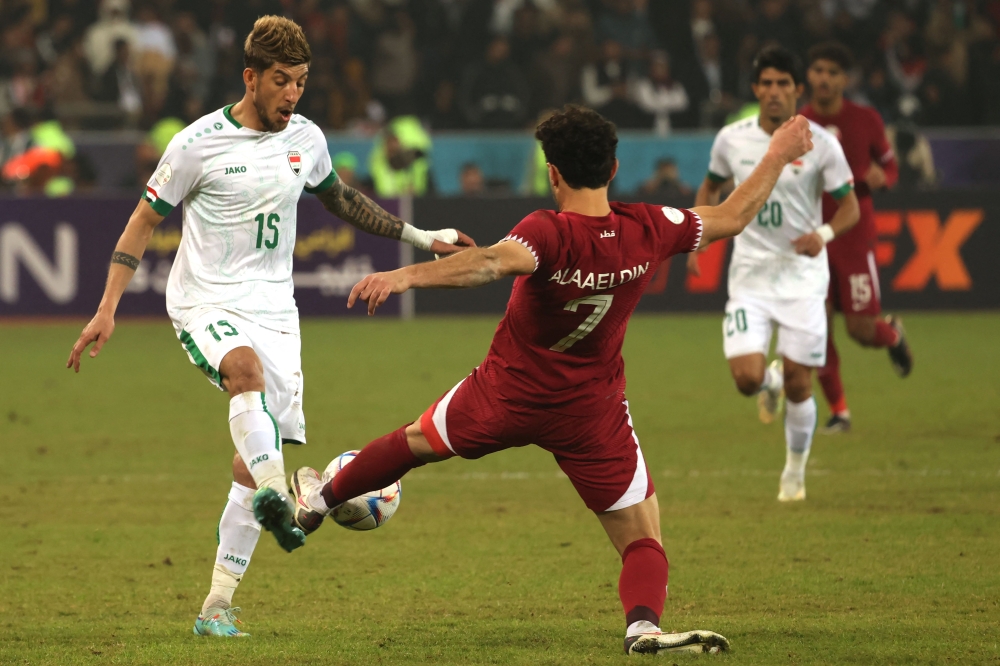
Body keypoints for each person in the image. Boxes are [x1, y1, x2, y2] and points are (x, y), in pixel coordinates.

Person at [287, 104, 815, 655]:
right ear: (613, 169)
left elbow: (490, 262)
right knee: (643, 538)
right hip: (592, 411)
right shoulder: (649, 227)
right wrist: (777, 154)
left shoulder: (546, 231)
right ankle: (644, 627)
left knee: (412, 444)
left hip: (505, 393)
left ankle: (319, 502)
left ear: (553, 172)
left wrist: (404, 276)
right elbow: (732, 215)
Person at [65, 16, 474, 639]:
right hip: (204, 300)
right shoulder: (195, 144)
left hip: (276, 310)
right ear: (251, 77)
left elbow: (342, 200)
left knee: (249, 459)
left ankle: (216, 607)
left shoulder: (306, 139)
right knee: (244, 376)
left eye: (302, 82)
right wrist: (106, 307)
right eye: (281, 81)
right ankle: (280, 494)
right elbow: (141, 223)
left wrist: (424, 236)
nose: (292, 94)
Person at [687, 46, 860, 502]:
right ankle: (770, 381)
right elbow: (711, 184)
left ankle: (795, 473)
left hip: (803, 277)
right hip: (750, 276)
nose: (775, 91)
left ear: (797, 90)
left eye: (785, 83)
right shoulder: (731, 139)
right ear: (756, 89)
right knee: (746, 379)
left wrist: (822, 232)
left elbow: (851, 207)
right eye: (767, 83)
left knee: (804, 383)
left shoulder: (821, 143)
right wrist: (696, 234)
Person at [799, 41, 912, 435]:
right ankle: (839, 412)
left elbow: (891, 166)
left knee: (862, 331)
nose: (824, 78)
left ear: (844, 79)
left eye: (832, 72)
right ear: (809, 76)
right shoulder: (800, 124)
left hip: (854, 237)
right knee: (818, 328)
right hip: (813, 239)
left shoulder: (865, 119)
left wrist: (885, 179)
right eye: (817, 70)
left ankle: (892, 333)